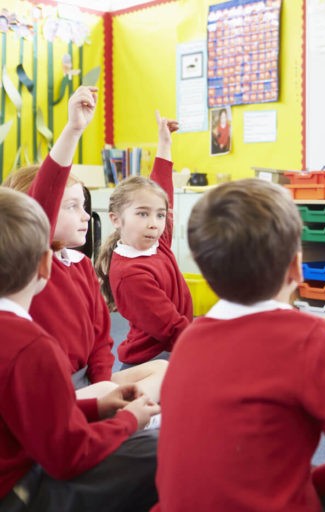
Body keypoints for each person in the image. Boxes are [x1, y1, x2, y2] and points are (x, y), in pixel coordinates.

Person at [152, 179, 325, 511]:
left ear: (204, 268)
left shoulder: (189, 341)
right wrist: (314, 483)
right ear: (296, 267)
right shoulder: (312, 338)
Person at [0, 186, 160, 512]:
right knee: (162, 450)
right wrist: (128, 419)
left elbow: (30, 417)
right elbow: (67, 456)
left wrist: (97, 407)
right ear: (46, 265)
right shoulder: (31, 346)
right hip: (18, 491)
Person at [3, 87, 167, 403]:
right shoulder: (33, 262)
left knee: (162, 369)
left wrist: (105, 391)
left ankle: (117, 413)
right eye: (72, 207)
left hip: (87, 383)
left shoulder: (79, 265)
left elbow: (100, 339)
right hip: (51, 391)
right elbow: (45, 196)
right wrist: (74, 129)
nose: (85, 217)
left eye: (84, 206)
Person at [95, 111, 193, 368]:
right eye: (142, 213)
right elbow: (170, 327)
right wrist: (210, 341)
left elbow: (162, 188)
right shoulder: (131, 274)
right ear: (116, 219)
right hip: (152, 359)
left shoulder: (155, 242)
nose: (154, 222)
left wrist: (164, 143)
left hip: (174, 345)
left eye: (160, 215)